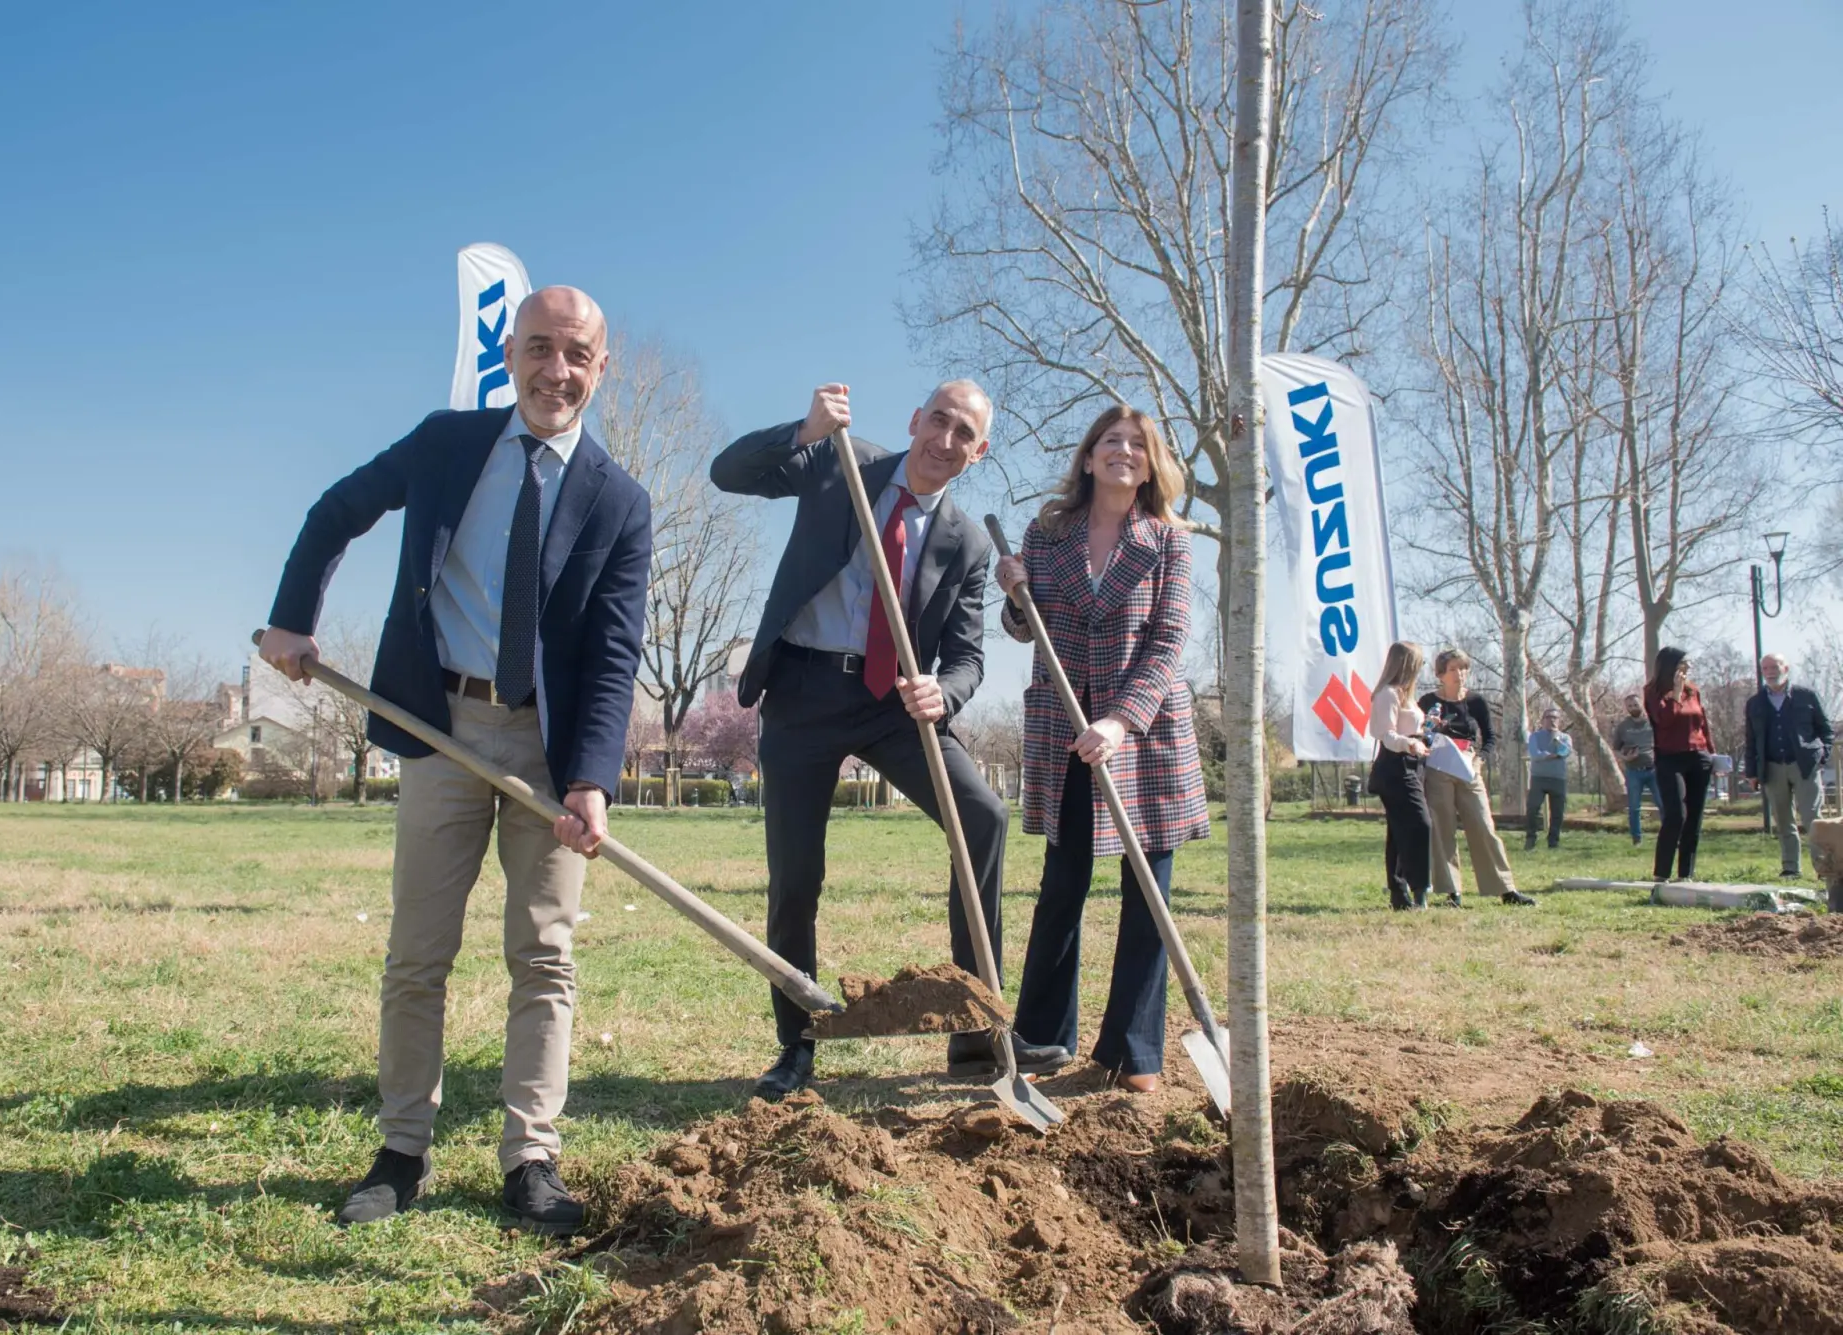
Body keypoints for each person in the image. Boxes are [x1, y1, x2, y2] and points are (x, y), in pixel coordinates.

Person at [258, 287, 652, 1235]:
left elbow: (613, 652)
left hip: (548, 754)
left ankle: (531, 1160)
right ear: (511, 353)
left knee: (544, 956)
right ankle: (401, 1152)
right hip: (439, 725)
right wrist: (294, 619)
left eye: (577, 355)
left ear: (601, 369)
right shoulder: (445, 443)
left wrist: (591, 776)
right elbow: (337, 508)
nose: (557, 370)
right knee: (418, 953)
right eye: (541, 348)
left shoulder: (621, 501)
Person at [711, 380, 1070, 1100]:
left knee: (983, 816)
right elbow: (729, 472)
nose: (945, 439)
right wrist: (804, 427)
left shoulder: (966, 543)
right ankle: (796, 1044)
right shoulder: (843, 462)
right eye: (938, 420)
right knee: (796, 876)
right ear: (914, 419)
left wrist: (948, 690)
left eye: (964, 432)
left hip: (894, 703)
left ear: (979, 451)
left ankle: (976, 1029)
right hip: (805, 693)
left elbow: (968, 656)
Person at [995, 406, 1211, 1094]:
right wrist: (1013, 593)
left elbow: (1168, 640)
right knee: (1062, 886)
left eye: (1137, 444)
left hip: (1141, 738)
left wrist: (1120, 720)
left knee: (1148, 893)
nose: (1123, 451)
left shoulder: (1170, 541)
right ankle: (1042, 1038)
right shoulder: (1046, 533)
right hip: (1066, 732)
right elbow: (1024, 627)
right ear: (1088, 458)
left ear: (1151, 464)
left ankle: (1132, 1049)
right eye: (1109, 441)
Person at [1417, 649, 1531, 906]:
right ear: (1440, 675)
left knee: (1483, 825)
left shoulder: (1476, 701)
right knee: (1442, 829)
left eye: (1463, 668)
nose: (1459, 674)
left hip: (1468, 767)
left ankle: (1505, 888)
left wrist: (1478, 760)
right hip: (1438, 768)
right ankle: (1451, 891)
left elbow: (1489, 737)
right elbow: (1421, 735)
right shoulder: (1427, 702)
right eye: (1453, 669)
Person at [1743, 653, 1834, 880]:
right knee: (1783, 819)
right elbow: (1751, 740)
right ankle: (1791, 867)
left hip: (1804, 765)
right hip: (1772, 767)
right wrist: (1752, 772)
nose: (1770, 671)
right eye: (1765, 668)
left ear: (1786, 668)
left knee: (1813, 818)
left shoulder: (1806, 696)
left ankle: (1824, 869)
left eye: (1774, 666)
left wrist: (1822, 756)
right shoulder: (1755, 703)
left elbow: (1826, 730)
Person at [1370, 641, 1432, 911]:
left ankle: (1400, 893)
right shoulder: (1388, 694)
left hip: (1412, 764)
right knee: (1420, 824)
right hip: (1396, 766)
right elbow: (1385, 734)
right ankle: (1419, 887)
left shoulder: (1407, 696)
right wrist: (1409, 743)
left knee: (1399, 831)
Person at [1645, 646, 1714, 882]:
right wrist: (1675, 692)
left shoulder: (1693, 690)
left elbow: (1701, 723)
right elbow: (1664, 720)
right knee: (1676, 815)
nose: (1688, 668)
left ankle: (1686, 874)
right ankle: (1661, 873)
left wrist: (1712, 754)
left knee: (1694, 816)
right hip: (1669, 757)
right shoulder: (1652, 692)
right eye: (1684, 663)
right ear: (1671, 666)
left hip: (1698, 755)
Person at [1611, 693, 1661, 846]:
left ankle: (1669, 836)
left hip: (1654, 770)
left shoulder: (1653, 722)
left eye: (1635, 704)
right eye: (1630, 706)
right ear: (1626, 708)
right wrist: (1625, 758)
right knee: (1634, 807)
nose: (1633, 708)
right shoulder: (1623, 727)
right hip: (1634, 771)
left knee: (1663, 804)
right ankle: (1637, 838)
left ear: (1642, 704)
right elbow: (1616, 749)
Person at [1524, 707, 1573, 850]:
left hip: (1558, 778)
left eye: (1555, 718)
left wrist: (1558, 746)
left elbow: (1566, 752)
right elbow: (1535, 754)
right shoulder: (1535, 736)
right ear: (1543, 720)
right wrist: (1552, 755)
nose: (1552, 720)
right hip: (1539, 778)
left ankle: (1553, 842)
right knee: (1533, 809)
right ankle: (1531, 839)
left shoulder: (1565, 737)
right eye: (1548, 717)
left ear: (1559, 721)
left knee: (1557, 812)